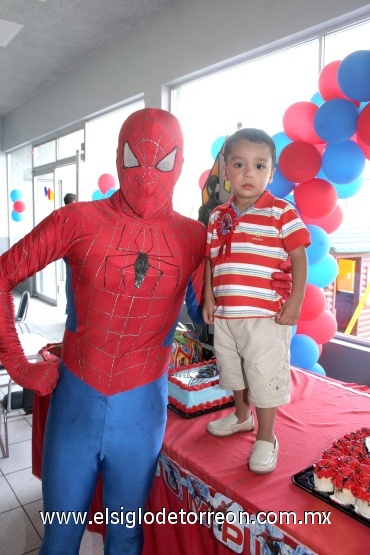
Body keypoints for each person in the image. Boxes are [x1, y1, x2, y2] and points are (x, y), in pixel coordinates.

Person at [0, 108, 207, 554]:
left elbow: (209, 315)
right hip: (78, 401)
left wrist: (259, 278)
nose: (149, 176)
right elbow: (3, 274)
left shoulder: (194, 238)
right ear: (118, 158)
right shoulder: (77, 220)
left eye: (163, 162)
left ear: (181, 164)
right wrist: (18, 366)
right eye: (136, 159)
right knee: (59, 538)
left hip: (140, 410)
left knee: (126, 536)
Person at [202, 128, 310, 474]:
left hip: (265, 316)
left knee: (263, 377)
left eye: (259, 166)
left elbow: (299, 258)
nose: (249, 173)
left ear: (272, 171)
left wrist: (295, 301)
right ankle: (241, 417)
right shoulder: (218, 216)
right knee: (233, 371)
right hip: (226, 314)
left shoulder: (282, 212)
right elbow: (211, 260)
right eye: (239, 164)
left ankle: (266, 437)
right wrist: (209, 297)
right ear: (226, 169)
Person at [62, 193, 76, 317]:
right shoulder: (69, 216)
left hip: (68, 252)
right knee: (72, 282)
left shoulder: (62, 215)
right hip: (71, 252)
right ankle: (71, 310)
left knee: (70, 280)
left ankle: (70, 309)